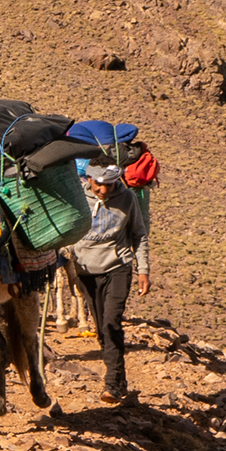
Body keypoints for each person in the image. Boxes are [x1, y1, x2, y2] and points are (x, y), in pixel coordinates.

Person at [67, 163, 145, 404]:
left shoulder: (127, 198)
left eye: (108, 184)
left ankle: (112, 384)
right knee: (101, 327)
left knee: (112, 321)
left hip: (117, 266)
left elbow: (138, 234)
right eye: (97, 183)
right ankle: (120, 379)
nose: (102, 189)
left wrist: (143, 270)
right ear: (88, 178)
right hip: (85, 270)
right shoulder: (75, 197)